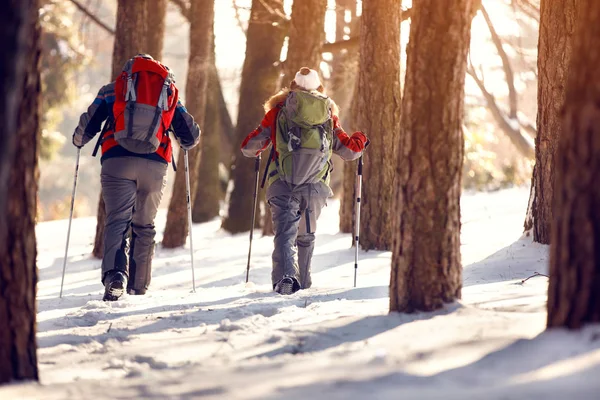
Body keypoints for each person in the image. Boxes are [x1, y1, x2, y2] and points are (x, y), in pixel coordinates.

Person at [72, 54, 200, 301]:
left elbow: (87, 127)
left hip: (116, 161)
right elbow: (191, 137)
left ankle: (116, 276)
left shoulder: (112, 90)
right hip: (155, 165)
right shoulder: (168, 93)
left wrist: (78, 141)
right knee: (144, 223)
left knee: (118, 220)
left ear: (128, 73)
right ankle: (138, 286)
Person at [241, 67, 369, 295]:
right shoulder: (328, 112)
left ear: (293, 86)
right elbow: (349, 150)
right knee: (306, 235)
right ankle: (304, 282)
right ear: (320, 87)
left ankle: (287, 278)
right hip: (315, 186)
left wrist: (259, 142)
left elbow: (250, 148)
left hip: (282, 182)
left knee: (284, 234)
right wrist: (360, 138)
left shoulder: (278, 110)